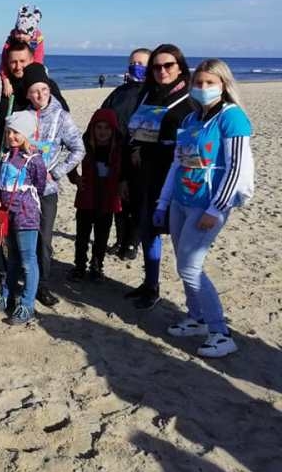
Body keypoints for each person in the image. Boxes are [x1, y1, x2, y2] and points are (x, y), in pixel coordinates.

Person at [155, 59, 254, 358]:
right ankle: (195, 318)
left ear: (223, 85)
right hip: (182, 201)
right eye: (198, 82)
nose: (203, 88)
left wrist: (217, 207)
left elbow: (236, 166)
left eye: (210, 83)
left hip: (207, 204)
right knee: (182, 263)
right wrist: (164, 201)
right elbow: (177, 164)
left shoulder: (231, 117)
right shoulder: (190, 120)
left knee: (190, 266)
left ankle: (220, 332)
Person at [125, 44, 193, 310]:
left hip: (172, 178)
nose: (162, 71)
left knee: (178, 239)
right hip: (144, 175)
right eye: (156, 66)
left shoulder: (189, 99)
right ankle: (150, 285)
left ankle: (194, 306)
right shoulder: (147, 95)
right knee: (147, 230)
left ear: (180, 67)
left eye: (168, 66)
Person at [18, 62, 84, 306]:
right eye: (35, 91)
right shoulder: (22, 116)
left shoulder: (61, 116)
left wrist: (57, 172)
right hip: (23, 191)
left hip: (46, 191)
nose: (40, 95)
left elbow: (79, 148)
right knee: (24, 238)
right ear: (27, 93)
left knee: (44, 239)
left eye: (44, 90)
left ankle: (42, 285)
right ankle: (24, 279)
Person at [0, 111, 47, 325]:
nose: (12, 136)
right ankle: (6, 294)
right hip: (6, 215)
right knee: (11, 257)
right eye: (9, 131)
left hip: (26, 216)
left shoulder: (34, 160)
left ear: (27, 134)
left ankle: (27, 304)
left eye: (17, 132)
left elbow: (39, 186)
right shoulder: (4, 156)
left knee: (28, 261)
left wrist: (23, 202)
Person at [100, 48, 151, 260]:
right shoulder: (119, 92)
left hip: (140, 154)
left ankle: (132, 242)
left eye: (141, 63)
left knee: (137, 200)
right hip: (115, 151)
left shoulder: (151, 94)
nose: (135, 66)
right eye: (133, 62)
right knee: (118, 200)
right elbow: (103, 113)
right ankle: (120, 239)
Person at [67, 108, 123, 283]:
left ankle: (97, 265)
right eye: (99, 127)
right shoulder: (84, 145)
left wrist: (123, 184)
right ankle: (79, 266)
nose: (103, 132)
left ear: (113, 130)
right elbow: (70, 164)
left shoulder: (119, 147)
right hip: (87, 197)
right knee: (82, 235)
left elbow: (127, 170)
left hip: (108, 198)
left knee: (102, 235)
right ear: (92, 128)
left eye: (107, 128)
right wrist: (75, 178)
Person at [0, 42, 69, 146]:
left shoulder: (46, 85)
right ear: (7, 63)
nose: (18, 66)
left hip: (37, 147)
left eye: (22, 61)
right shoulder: (2, 85)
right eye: (13, 62)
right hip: (7, 147)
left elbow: (64, 114)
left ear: (32, 60)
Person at [0, 4, 47, 105]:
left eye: (24, 34)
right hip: (11, 72)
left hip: (29, 69)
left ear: (31, 34)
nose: (20, 36)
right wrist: (6, 81)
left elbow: (38, 62)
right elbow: (4, 62)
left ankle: (42, 101)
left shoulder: (37, 41)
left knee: (44, 71)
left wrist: (30, 79)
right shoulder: (10, 40)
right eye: (18, 32)